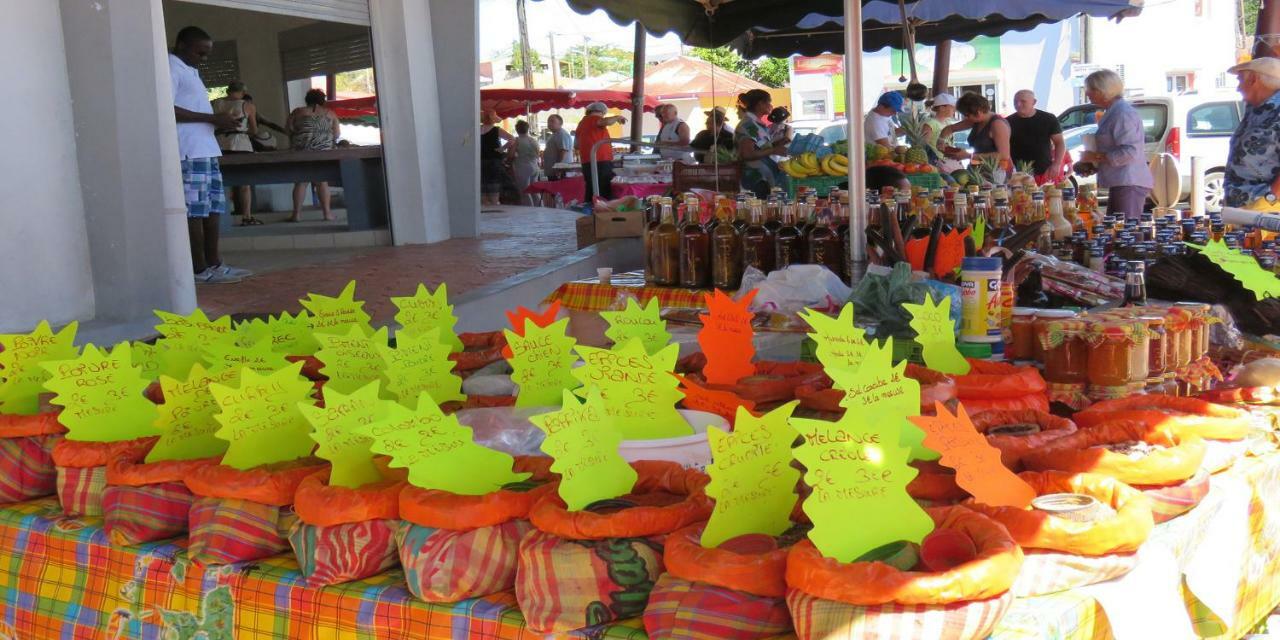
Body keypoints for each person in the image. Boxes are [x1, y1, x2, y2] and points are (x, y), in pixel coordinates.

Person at [169, 26, 251, 284]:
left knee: (213, 208)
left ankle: (214, 264)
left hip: (206, 150)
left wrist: (220, 122)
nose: (203, 58)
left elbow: (194, 112)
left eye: (206, 54)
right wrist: (211, 117)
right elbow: (165, 108)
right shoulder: (171, 67)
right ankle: (198, 268)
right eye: (199, 52)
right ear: (182, 45)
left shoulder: (190, 70)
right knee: (195, 212)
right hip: (189, 152)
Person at [1077, 70, 1153, 219]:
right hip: (1122, 182)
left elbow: (1130, 152)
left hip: (1129, 181)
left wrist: (1096, 156)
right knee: (1116, 231)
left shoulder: (1122, 113)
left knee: (1125, 232)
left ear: (1102, 91)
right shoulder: (1114, 112)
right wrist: (1093, 165)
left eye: (1090, 90)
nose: (1087, 94)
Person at [1224, 57, 1280, 209]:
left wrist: (1270, 199)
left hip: (1266, 210)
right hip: (1241, 208)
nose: (1238, 88)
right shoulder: (1254, 109)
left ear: (1254, 79)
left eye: (1240, 80)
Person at [286, 89, 341, 222]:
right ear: (323, 100)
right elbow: (337, 134)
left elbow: (288, 129)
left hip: (302, 151)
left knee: (301, 182)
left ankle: (296, 215)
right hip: (323, 153)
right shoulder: (331, 114)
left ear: (307, 99)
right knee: (322, 182)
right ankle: (327, 214)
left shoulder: (298, 112)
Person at [211, 81, 261, 226]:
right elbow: (254, 130)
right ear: (243, 92)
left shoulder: (216, 104)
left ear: (228, 91)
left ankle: (222, 219)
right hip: (241, 145)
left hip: (220, 145)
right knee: (245, 184)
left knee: (223, 182)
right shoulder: (248, 106)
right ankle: (246, 216)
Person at [734, 89, 788, 198]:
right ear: (760, 104)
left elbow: (760, 148)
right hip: (756, 180)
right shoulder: (748, 125)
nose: (771, 106)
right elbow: (747, 154)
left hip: (766, 178)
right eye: (769, 102)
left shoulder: (756, 123)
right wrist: (773, 150)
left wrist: (776, 144)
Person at [1007, 90, 1066, 183]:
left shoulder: (1048, 119)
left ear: (1034, 102)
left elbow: (1059, 142)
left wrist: (1057, 164)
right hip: (1017, 175)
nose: (1018, 104)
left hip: (1044, 173)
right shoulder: (1007, 122)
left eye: (1023, 101)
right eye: (1015, 101)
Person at [575, 101, 627, 204]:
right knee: (603, 190)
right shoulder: (593, 119)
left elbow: (576, 145)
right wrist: (617, 117)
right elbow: (604, 122)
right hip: (600, 161)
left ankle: (591, 210)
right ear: (602, 112)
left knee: (592, 188)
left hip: (588, 161)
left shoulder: (582, 123)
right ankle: (603, 213)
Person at [952, 93, 1012, 170]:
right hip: (979, 170)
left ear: (978, 112)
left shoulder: (997, 124)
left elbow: (1004, 155)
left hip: (997, 173)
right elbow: (950, 128)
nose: (966, 118)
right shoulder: (977, 121)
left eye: (967, 115)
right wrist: (942, 140)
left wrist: (969, 156)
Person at [922, 93, 964, 173]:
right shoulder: (930, 124)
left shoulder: (948, 123)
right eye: (952, 107)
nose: (954, 110)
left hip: (948, 162)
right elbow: (924, 146)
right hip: (936, 164)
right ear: (942, 108)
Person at [480, 109, 514, 205]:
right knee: (494, 185)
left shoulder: (477, 129)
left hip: (480, 160)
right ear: (493, 120)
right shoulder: (496, 130)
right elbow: (512, 139)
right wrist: (502, 148)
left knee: (482, 185)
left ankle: (485, 205)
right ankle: (494, 205)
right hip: (494, 160)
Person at [508, 120, 541, 205]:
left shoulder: (517, 140)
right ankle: (540, 210)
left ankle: (529, 212)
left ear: (516, 129)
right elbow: (538, 154)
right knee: (535, 191)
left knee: (525, 192)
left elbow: (511, 155)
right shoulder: (534, 140)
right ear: (527, 129)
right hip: (535, 167)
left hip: (522, 167)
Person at [541, 114, 572, 180]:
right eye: (548, 121)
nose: (549, 123)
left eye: (552, 121)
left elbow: (563, 151)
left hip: (560, 171)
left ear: (560, 123)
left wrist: (558, 168)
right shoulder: (555, 134)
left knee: (559, 189)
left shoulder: (561, 134)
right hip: (554, 171)